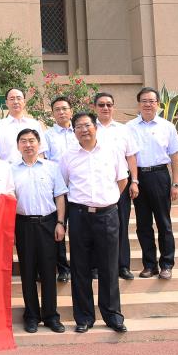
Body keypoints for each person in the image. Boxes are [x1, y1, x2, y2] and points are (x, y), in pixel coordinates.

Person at [60, 112, 128, 334]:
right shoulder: (68, 156)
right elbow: (64, 185)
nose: (83, 130)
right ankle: (84, 317)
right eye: (78, 126)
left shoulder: (112, 150)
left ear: (95, 127)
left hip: (107, 215)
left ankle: (112, 315)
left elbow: (122, 180)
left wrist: (106, 201)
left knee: (109, 266)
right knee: (80, 267)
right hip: (79, 215)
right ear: (74, 132)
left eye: (87, 125)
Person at [11, 128, 68, 334]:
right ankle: (32, 316)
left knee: (48, 271)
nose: (28, 145)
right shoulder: (10, 170)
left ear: (39, 144)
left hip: (48, 223)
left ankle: (51, 316)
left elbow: (60, 196)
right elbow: (9, 200)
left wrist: (60, 223)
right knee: (27, 271)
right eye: (23, 141)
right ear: (18, 146)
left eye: (32, 141)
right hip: (23, 224)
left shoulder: (52, 168)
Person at [127, 87, 178, 280]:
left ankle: (166, 264)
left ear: (158, 104)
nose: (148, 104)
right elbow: (128, 156)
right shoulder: (129, 127)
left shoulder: (167, 127)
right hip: (138, 177)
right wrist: (133, 181)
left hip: (160, 176)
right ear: (139, 104)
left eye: (151, 101)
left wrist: (176, 184)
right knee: (143, 224)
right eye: (144, 101)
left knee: (163, 223)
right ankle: (149, 265)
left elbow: (175, 157)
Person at [93, 92, 140, 280]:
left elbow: (131, 156)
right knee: (96, 226)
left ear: (113, 107)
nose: (105, 108)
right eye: (101, 104)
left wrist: (134, 181)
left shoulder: (124, 130)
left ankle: (123, 266)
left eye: (109, 104)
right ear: (94, 107)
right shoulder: (89, 128)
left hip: (121, 183)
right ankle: (96, 266)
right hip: (97, 185)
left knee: (120, 224)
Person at [42, 96, 78, 283]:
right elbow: (45, 162)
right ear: (53, 113)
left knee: (80, 231)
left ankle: (83, 266)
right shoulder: (47, 135)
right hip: (57, 191)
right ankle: (63, 268)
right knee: (59, 227)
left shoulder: (80, 131)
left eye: (64, 108)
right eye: (57, 109)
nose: (61, 112)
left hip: (79, 188)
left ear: (71, 111)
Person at [0, 88, 48, 164]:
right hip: (8, 170)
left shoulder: (34, 124)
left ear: (24, 102)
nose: (15, 102)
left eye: (19, 98)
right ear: (6, 103)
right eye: (12, 99)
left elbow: (41, 152)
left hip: (31, 169)